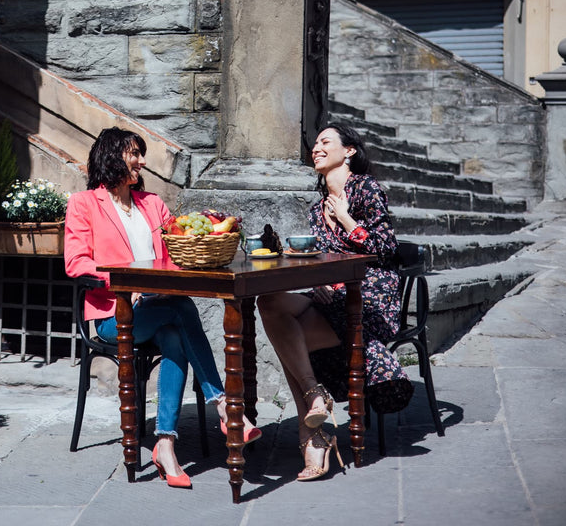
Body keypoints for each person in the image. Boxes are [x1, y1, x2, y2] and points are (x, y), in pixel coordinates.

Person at [64, 127, 260, 490]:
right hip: (114, 315)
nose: (141, 162)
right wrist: (127, 282)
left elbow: (175, 251)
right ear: (112, 156)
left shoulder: (152, 204)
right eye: (134, 154)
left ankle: (165, 444)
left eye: (141, 154)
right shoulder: (84, 203)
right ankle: (223, 404)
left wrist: (206, 238)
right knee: (181, 307)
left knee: (173, 335)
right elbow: (76, 263)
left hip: (159, 309)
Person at [257, 124, 413, 481]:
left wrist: (345, 218)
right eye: (314, 144)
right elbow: (323, 259)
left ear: (349, 151)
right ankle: (314, 400)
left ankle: (312, 433)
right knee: (269, 303)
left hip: (370, 298)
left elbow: (386, 249)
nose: (316, 148)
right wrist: (320, 281)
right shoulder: (316, 210)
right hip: (332, 297)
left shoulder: (365, 189)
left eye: (325, 142)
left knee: (287, 339)